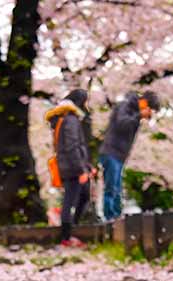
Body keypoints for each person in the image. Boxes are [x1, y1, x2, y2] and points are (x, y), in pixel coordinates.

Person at [99, 91, 161, 220]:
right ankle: (110, 218)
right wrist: (139, 115)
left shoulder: (134, 111)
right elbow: (122, 124)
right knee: (111, 187)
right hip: (111, 152)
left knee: (117, 188)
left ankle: (116, 217)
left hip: (119, 155)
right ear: (144, 102)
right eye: (150, 109)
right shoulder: (125, 106)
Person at [45, 89, 93, 248]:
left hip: (68, 165)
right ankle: (66, 236)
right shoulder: (70, 120)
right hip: (73, 167)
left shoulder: (62, 119)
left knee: (83, 195)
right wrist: (81, 170)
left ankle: (72, 230)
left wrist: (86, 166)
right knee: (70, 200)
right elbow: (73, 146)